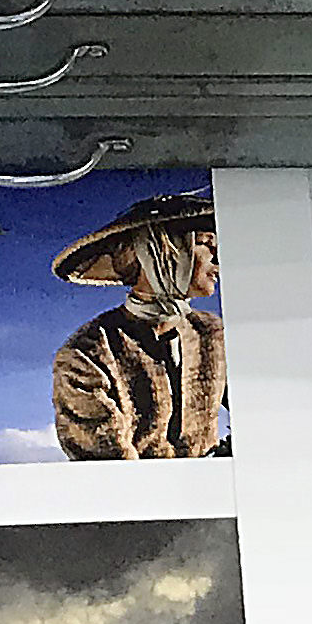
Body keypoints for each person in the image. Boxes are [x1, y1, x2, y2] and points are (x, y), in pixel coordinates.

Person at [45, 189, 226, 457]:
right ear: (160, 251)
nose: (218, 258)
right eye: (204, 243)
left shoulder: (213, 334)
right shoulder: (86, 356)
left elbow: (260, 415)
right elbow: (112, 471)